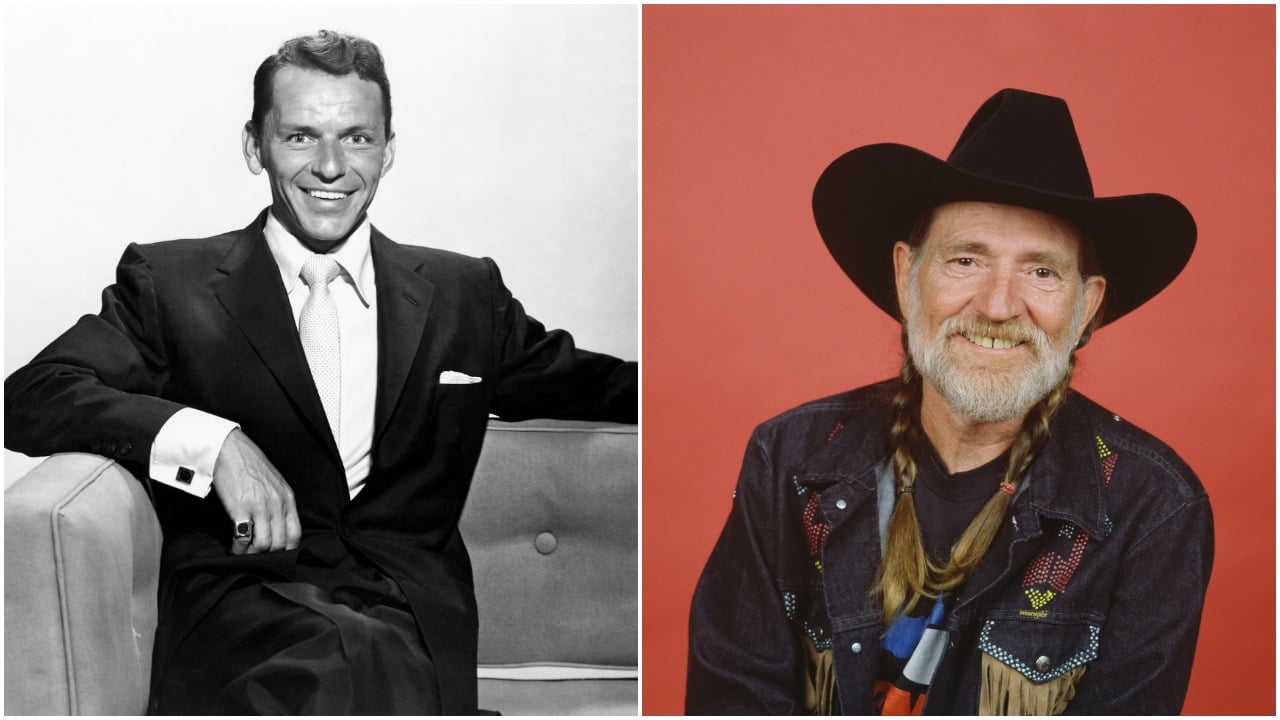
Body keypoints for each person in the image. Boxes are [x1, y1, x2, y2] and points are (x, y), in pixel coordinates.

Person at [5, 29, 636, 714]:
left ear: (389, 151)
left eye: (357, 138)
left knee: (363, 651)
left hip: (409, 616)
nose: (331, 166)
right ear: (255, 146)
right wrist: (213, 445)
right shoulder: (171, 283)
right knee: (335, 656)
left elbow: (610, 386)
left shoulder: (463, 293)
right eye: (301, 136)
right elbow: (33, 395)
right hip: (246, 611)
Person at [685, 88, 1212, 714]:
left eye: (1041, 272)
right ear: (909, 278)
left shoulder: (1152, 506)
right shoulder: (789, 460)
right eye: (966, 260)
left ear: (1086, 305)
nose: (997, 305)